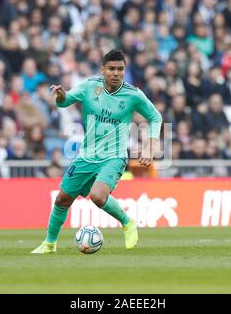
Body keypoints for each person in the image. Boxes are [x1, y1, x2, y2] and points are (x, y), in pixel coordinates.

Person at [31, 49, 162, 254]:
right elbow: (65, 101)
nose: (116, 73)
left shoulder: (133, 95)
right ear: (103, 70)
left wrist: (151, 145)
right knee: (62, 199)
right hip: (86, 155)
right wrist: (61, 96)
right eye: (111, 69)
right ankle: (49, 244)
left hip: (114, 156)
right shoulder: (90, 86)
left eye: (120, 69)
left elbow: (155, 117)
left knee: (98, 196)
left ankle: (127, 223)